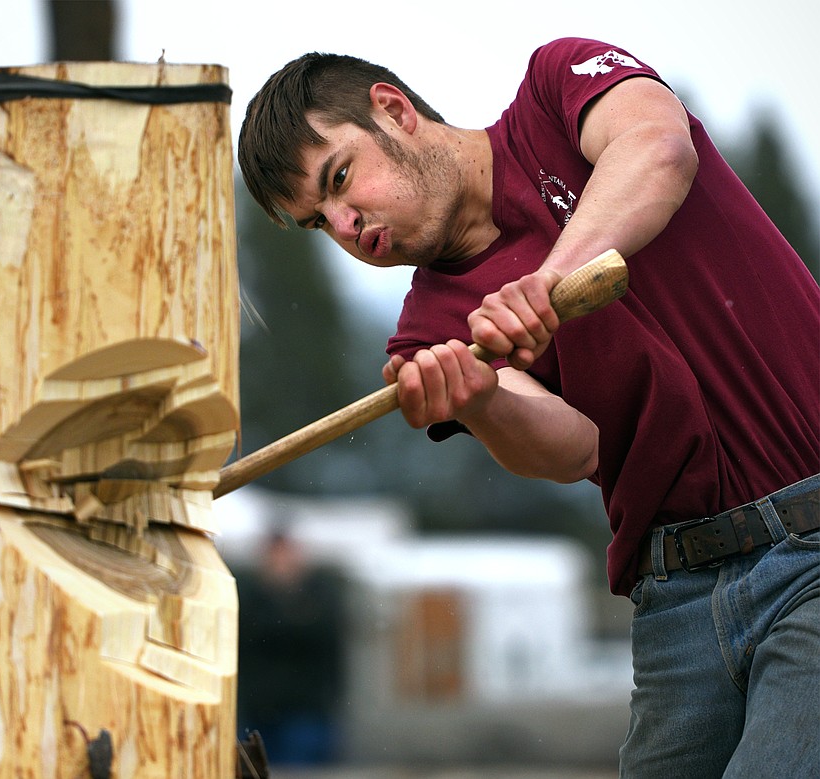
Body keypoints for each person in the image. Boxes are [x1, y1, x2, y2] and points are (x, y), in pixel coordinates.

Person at [237, 37, 819, 777]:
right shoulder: (425, 337)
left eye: (341, 178)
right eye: (320, 221)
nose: (347, 224)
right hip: (676, 594)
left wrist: (546, 284)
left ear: (393, 110)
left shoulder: (557, 88)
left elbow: (659, 150)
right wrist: (481, 402)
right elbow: (573, 448)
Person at [234, 530, 345, 765]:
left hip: (305, 710)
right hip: (260, 710)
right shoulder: (252, 598)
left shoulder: (320, 598)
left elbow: (326, 646)